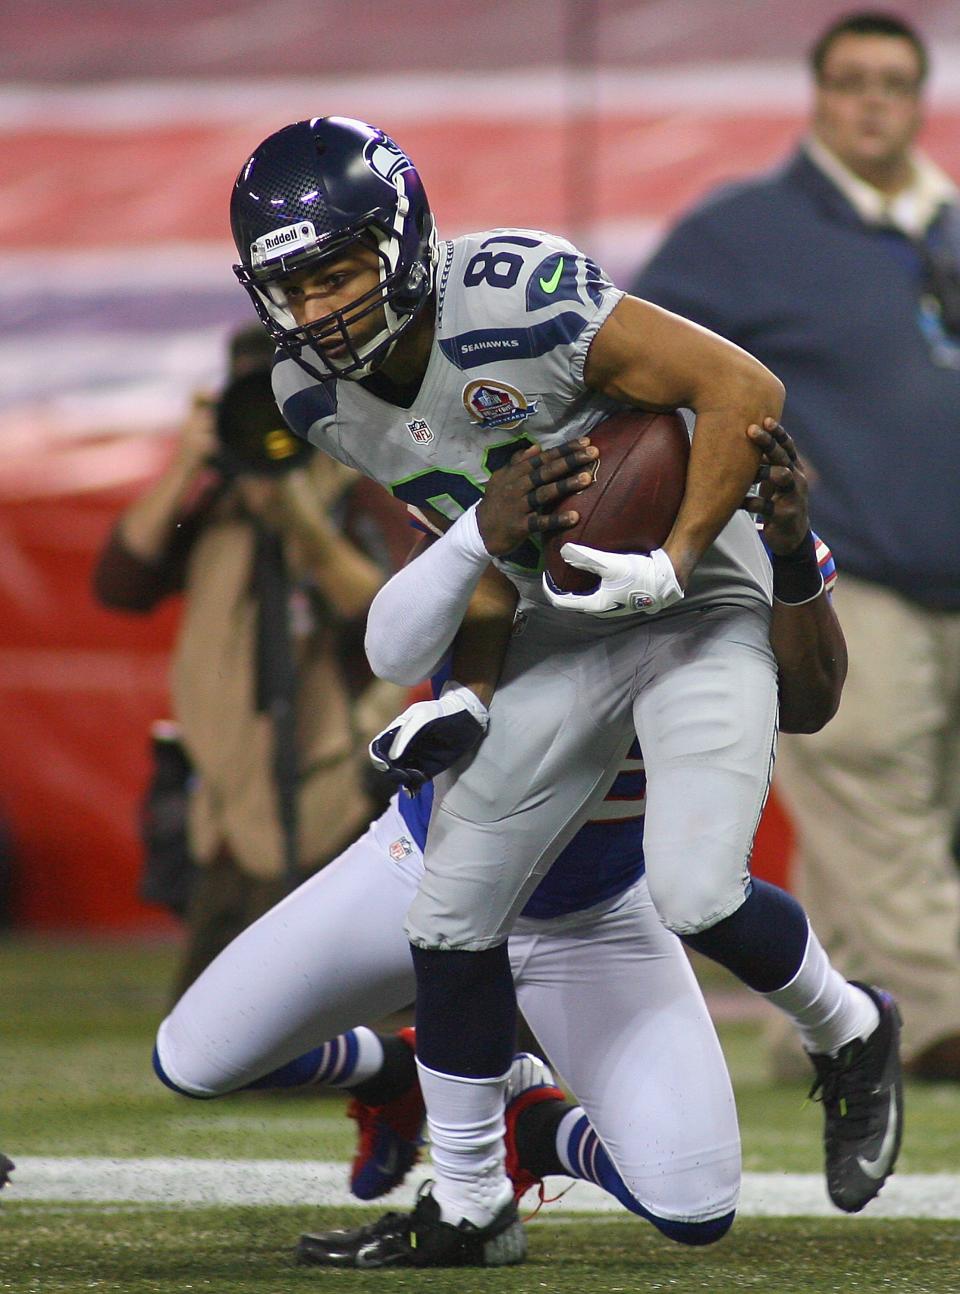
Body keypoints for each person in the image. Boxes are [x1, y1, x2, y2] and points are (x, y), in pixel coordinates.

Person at [227, 114, 901, 1266]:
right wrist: (474, 692)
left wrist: (680, 555)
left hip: (692, 593)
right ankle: (472, 1201)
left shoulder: (516, 291)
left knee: (695, 889)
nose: (317, 309)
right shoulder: (312, 397)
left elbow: (742, 384)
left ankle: (851, 1026)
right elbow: (483, 536)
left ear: (403, 242)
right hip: (558, 612)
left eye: (336, 270)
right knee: (448, 912)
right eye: (288, 284)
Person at [154, 425, 845, 1267]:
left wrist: (788, 564)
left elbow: (809, 698)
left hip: (595, 910)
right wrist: (478, 532)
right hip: (428, 862)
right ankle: (394, 1070)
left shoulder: (741, 539)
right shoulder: (507, 490)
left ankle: (536, 1123)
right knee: (195, 1059)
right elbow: (393, 646)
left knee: (694, 1206)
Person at [630, 10, 960, 1082]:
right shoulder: (741, 232)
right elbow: (637, 370)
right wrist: (715, 513)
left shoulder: (948, 225)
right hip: (839, 573)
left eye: (893, 83)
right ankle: (949, 1016)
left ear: (921, 99)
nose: (873, 101)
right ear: (818, 96)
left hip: (947, 573)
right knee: (878, 795)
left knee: (887, 822)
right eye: (853, 81)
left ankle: (807, 1033)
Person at [93, 326, 408, 1002]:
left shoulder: (357, 487)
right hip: (228, 806)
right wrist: (188, 464)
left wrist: (303, 524)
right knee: (208, 1024)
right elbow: (119, 585)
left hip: (329, 794)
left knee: (334, 1009)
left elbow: (392, 619)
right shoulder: (213, 503)